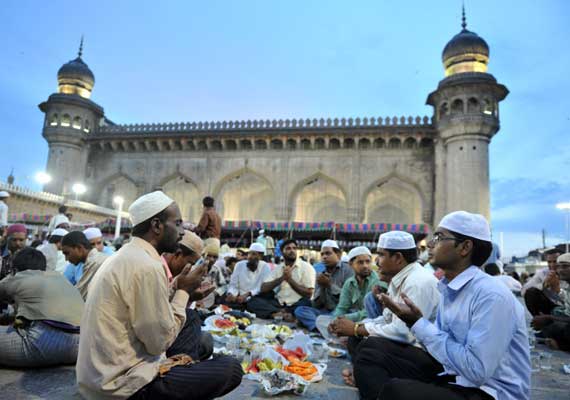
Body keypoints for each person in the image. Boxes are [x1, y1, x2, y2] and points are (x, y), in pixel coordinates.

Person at [76, 191, 243, 399]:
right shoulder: (147, 266)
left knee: (193, 323)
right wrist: (183, 291)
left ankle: (182, 372)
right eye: (178, 223)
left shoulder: (128, 255)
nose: (182, 232)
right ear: (156, 226)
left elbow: (149, 312)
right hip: (124, 387)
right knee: (231, 368)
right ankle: (181, 375)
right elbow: (158, 344)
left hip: (100, 378)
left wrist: (186, 294)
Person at [371, 211, 529, 400]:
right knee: (373, 349)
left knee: (396, 390)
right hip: (454, 375)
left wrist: (418, 324)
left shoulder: (491, 295)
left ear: (464, 247)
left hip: (489, 391)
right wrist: (414, 322)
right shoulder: (449, 288)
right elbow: (439, 346)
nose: (430, 244)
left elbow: (476, 370)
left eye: (439, 237)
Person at [334, 232, 440, 389]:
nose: (376, 261)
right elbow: (386, 318)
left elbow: (404, 333)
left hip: (427, 356)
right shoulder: (400, 278)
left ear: (397, 258)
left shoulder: (418, 282)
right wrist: (355, 326)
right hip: (410, 348)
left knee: (368, 347)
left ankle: (378, 390)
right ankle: (363, 376)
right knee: (356, 340)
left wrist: (357, 328)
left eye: (381, 255)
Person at [0, 247, 84, 367]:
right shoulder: (60, 278)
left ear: (16, 269)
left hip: (42, 343)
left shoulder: (19, 277)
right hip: (79, 347)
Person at [248, 239, 315, 320]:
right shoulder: (278, 268)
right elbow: (263, 288)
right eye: (288, 248)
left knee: (306, 304)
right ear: (282, 252)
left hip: (298, 304)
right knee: (253, 301)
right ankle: (280, 313)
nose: (292, 251)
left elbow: (309, 294)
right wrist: (282, 278)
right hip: (279, 303)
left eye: (294, 248)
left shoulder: (306, 267)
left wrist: (290, 280)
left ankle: (279, 313)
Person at [295, 239, 354, 331]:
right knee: (300, 310)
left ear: (338, 255)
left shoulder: (348, 270)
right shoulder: (320, 273)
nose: (324, 257)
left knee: (343, 314)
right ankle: (321, 328)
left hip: (341, 311)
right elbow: (316, 305)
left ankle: (321, 326)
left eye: (328, 253)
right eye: (322, 254)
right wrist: (322, 287)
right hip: (325, 312)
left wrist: (329, 284)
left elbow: (349, 299)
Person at [531, 253, 570, 351]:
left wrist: (548, 318)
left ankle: (562, 345)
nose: (560, 270)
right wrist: (546, 285)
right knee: (531, 293)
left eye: (565, 266)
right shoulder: (546, 274)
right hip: (563, 314)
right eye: (559, 266)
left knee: (557, 327)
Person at [61, 231, 109, 300]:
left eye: (67, 253)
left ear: (80, 248)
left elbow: (79, 296)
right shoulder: (95, 260)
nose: (66, 259)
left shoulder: (94, 263)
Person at [224, 243, 271, 309]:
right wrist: (231, 294)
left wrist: (248, 294)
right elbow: (233, 285)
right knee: (225, 300)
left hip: (254, 298)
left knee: (257, 302)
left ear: (260, 256)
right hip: (239, 298)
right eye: (249, 253)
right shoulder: (239, 265)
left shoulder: (265, 267)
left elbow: (262, 287)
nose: (249, 257)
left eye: (253, 254)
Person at [523, 249, 566, 316]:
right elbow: (524, 290)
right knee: (531, 292)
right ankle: (540, 320)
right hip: (551, 305)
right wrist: (544, 284)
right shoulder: (543, 273)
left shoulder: (567, 273)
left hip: (566, 307)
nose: (552, 265)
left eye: (555, 262)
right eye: (549, 262)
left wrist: (557, 289)